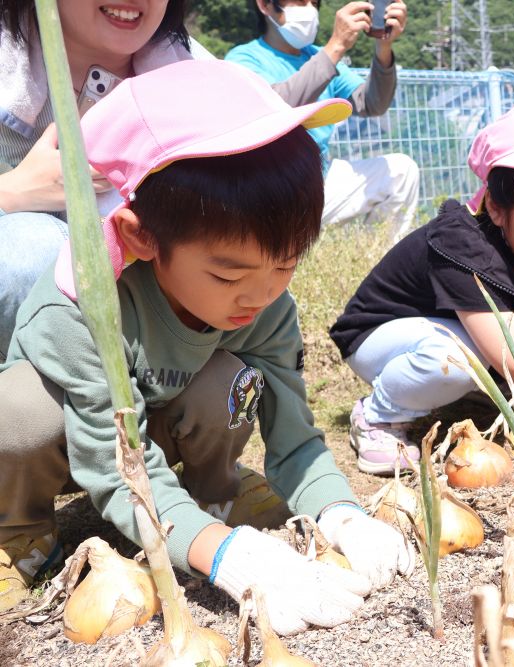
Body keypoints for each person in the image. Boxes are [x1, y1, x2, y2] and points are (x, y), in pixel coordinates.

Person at [0, 61, 414, 629]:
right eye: (228, 276)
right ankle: (17, 529)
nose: (263, 293)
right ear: (138, 235)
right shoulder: (78, 310)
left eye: (287, 263)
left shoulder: (266, 307)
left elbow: (294, 434)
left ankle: (212, 494)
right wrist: (225, 556)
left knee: (232, 383)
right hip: (78, 444)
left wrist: (344, 516)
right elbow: (120, 465)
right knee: (19, 411)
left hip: (168, 427)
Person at [329, 101, 514, 474]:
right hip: (385, 339)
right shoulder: (462, 246)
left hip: (461, 334)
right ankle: (378, 416)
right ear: (496, 207)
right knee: (456, 360)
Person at [0, 0, 195, 364]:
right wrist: (13, 192)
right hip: (31, 368)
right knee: (28, 253)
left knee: (217, 391)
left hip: (153, 353)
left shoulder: (202, 83)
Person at [227, 0, 419, 240]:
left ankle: (379, 259)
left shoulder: (319, 55)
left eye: (313, 2)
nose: (308, 8)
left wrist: (383, 47)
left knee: (402, 171)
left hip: (321, 180)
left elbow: (371, 103)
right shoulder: (243, 59)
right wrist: (336, 46)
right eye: (298, 1)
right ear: (265, 5)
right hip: (272, 193)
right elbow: (275, 109)